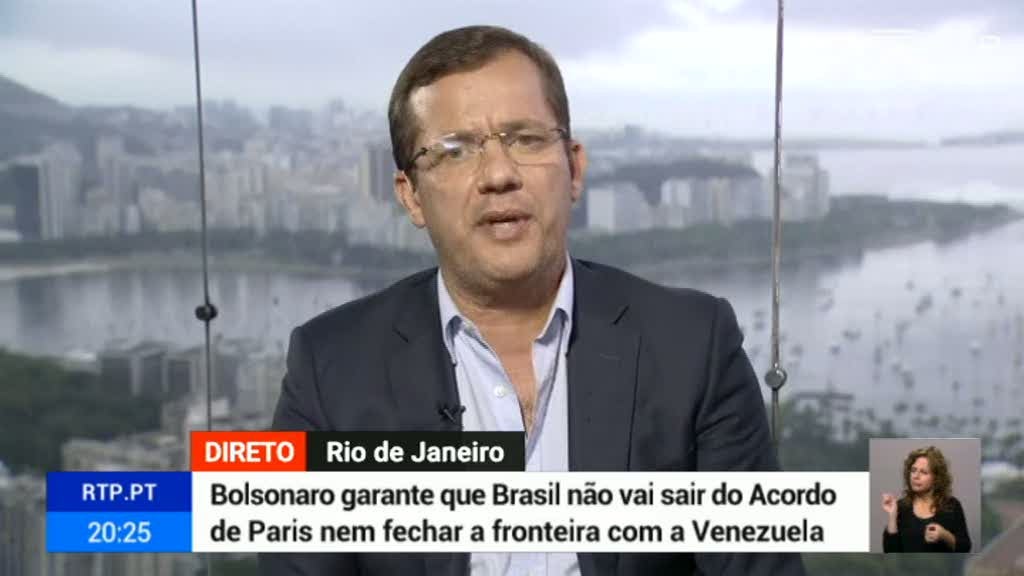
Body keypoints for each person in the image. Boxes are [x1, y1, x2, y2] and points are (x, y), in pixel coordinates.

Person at [261, 25, 804, 576]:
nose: (499, 175)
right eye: (455, 151)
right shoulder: (331, 368)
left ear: (574, 168)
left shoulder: (692, 345)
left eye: (526, 139)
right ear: (411, 195)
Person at [881, 446, 971, 553]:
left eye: (923, 472)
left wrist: (945, 535)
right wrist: (892, 516)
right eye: (913, 470)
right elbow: (890, 552)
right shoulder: (900, 506)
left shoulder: (952, 505)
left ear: (936, 478)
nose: (916, 476)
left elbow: (965, 547)